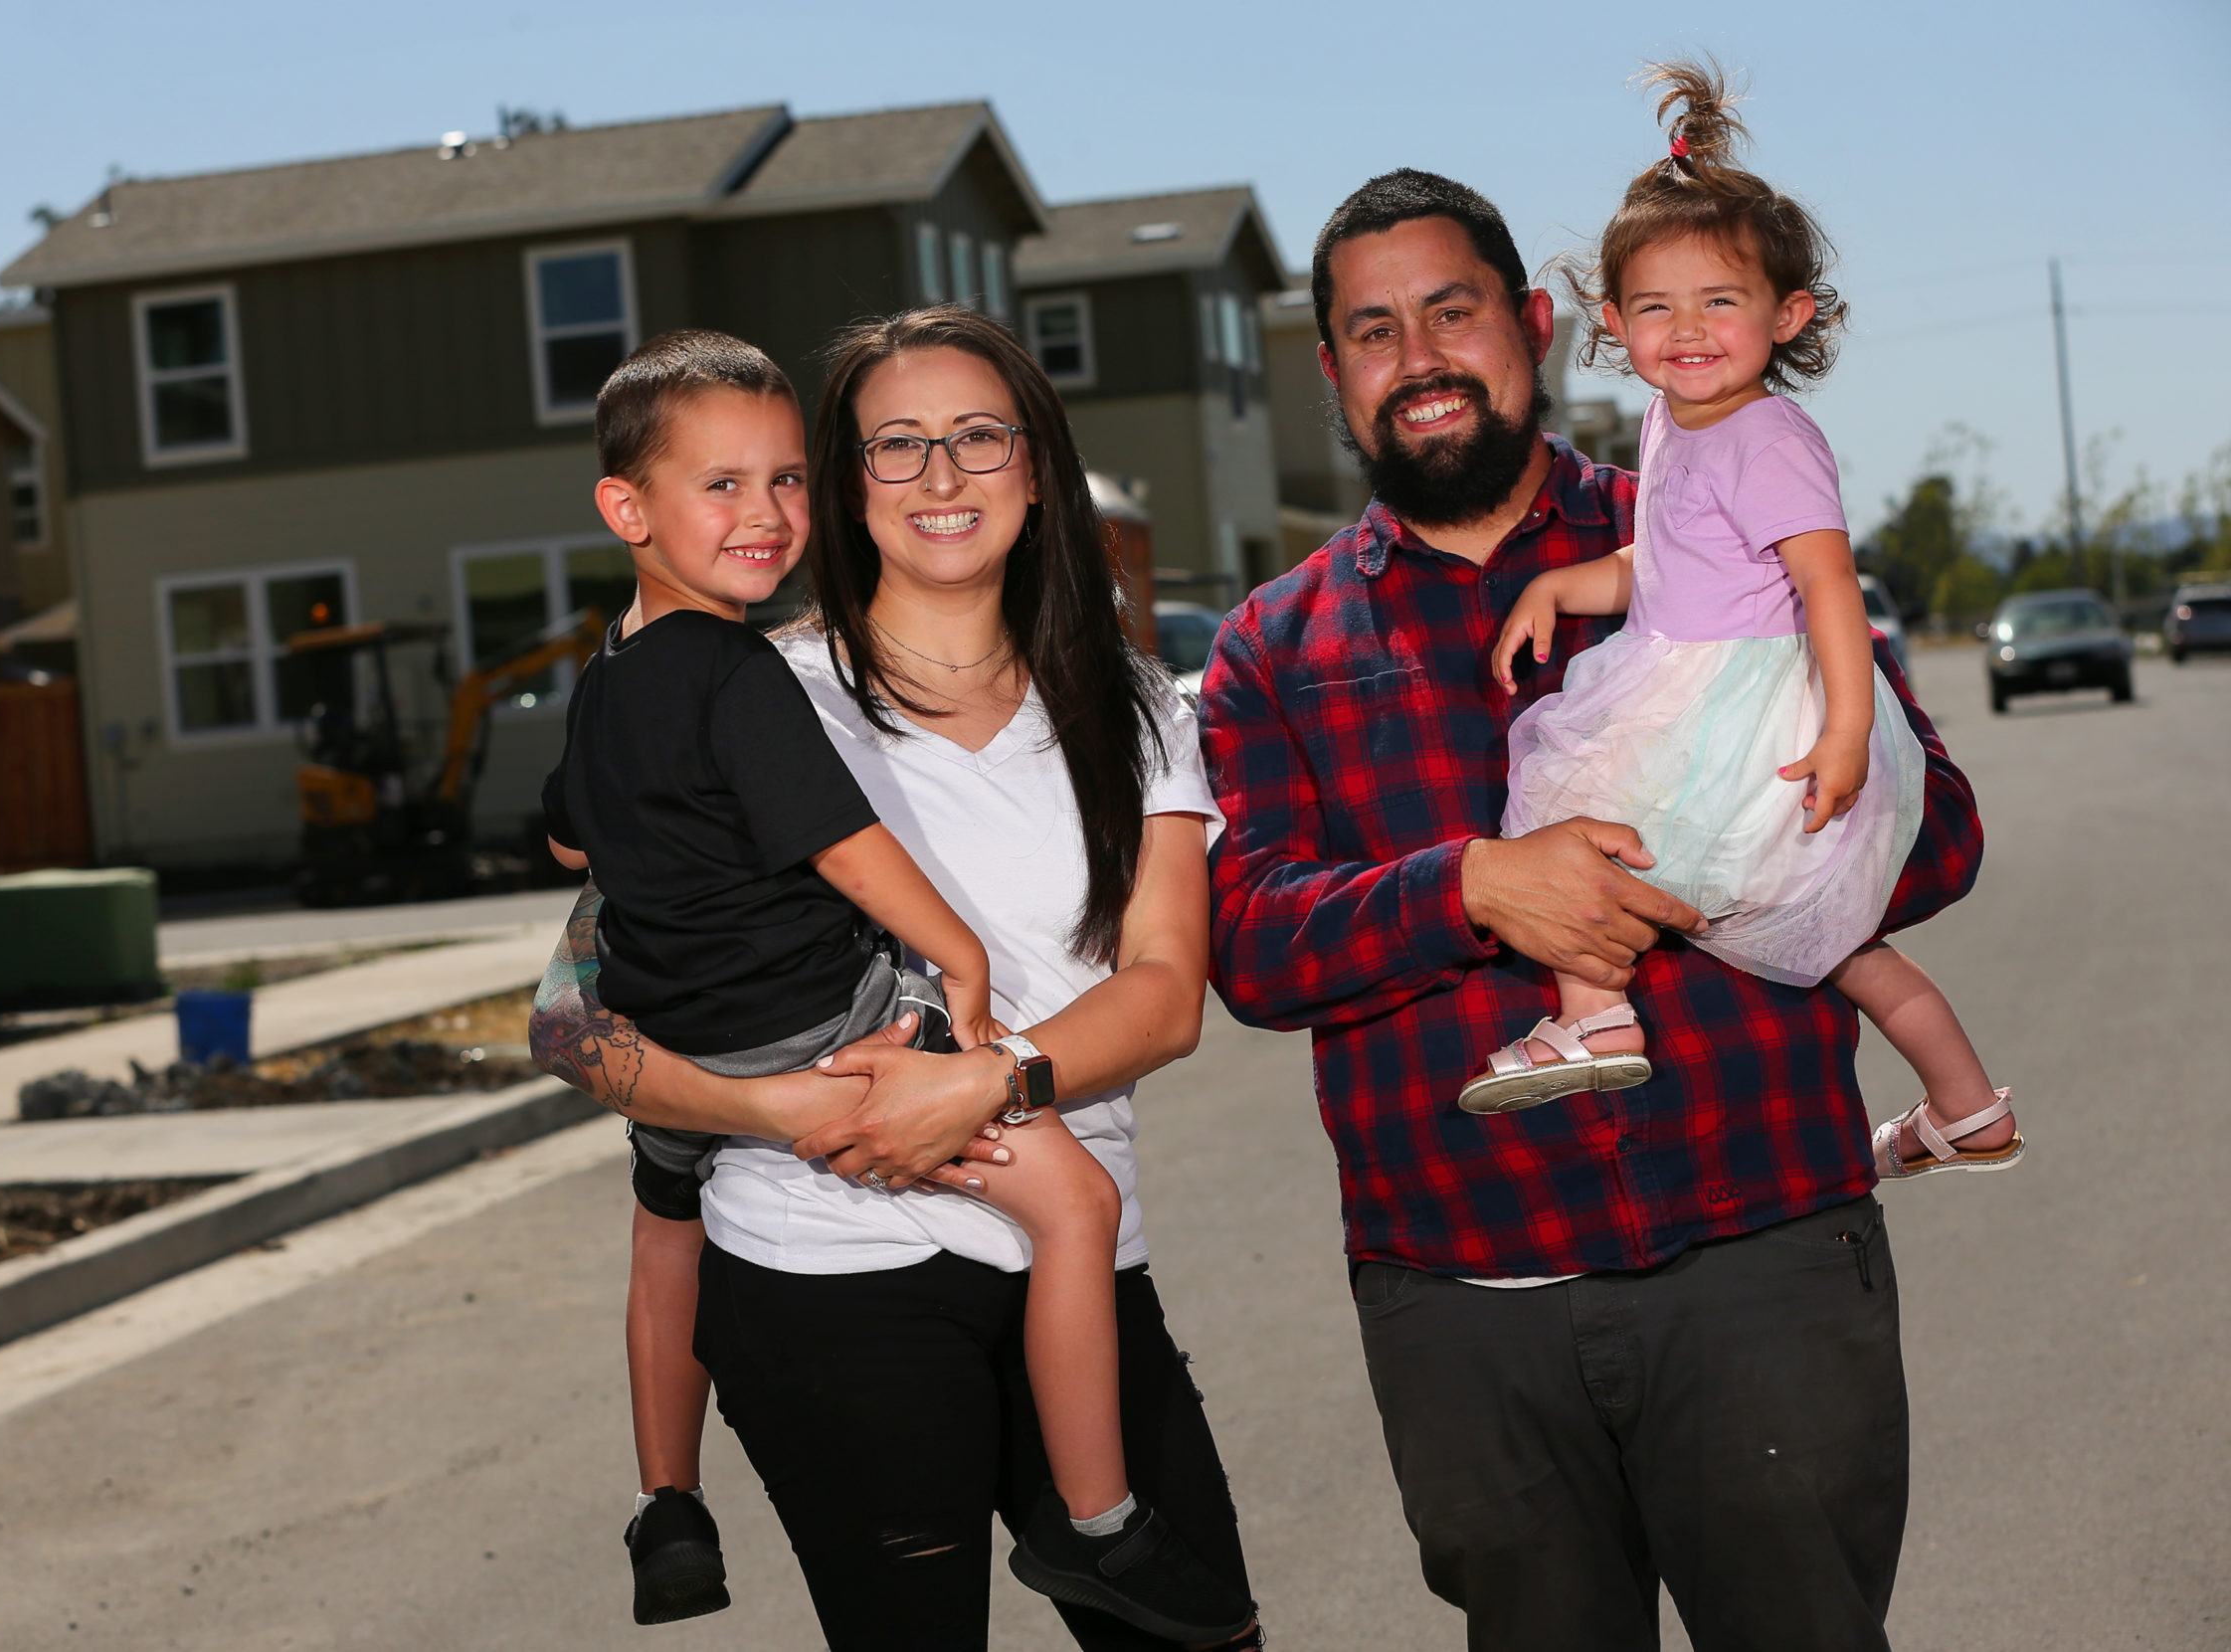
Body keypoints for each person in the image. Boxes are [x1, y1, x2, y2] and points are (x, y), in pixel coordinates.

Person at [1200, 153, 1983, 1648]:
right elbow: (1251, 942)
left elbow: (1937, 836)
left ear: (1542, 324)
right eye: (1375, 331)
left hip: (1761, 1247)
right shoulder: (1269, 648)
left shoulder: (1719, 519)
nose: (1419, 359)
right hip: (1464, 1291)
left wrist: (1700, 866)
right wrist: (1478, 888)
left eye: (1452, 312)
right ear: (1332, 371)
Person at [529, 306, 1258, 1650]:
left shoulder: (1140, 708)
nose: (940, 476)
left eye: (979, 439)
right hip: (826, 1266)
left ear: (1037, 467)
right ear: (847, 485)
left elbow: (1165, 993)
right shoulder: (751, 689)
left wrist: (988, 1079)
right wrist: (795, 1114)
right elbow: (574, 1022)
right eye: (895, 446)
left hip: (1077, 1257)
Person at [1468, 62, 2021, 1181]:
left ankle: (1596, 1012)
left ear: (1788, 314)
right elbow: (1671, 562)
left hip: (1745, 707)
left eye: (1719, 302)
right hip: (1698, 670)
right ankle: (1968, 1107)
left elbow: (1826, 586)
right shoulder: (1676, 421)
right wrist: (1560, 586)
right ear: (1613, 321)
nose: (1688, 330)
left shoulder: (1767, 437)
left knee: (1565, 814)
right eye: (1657, 307)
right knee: (1834, 940)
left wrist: (1849, 734)